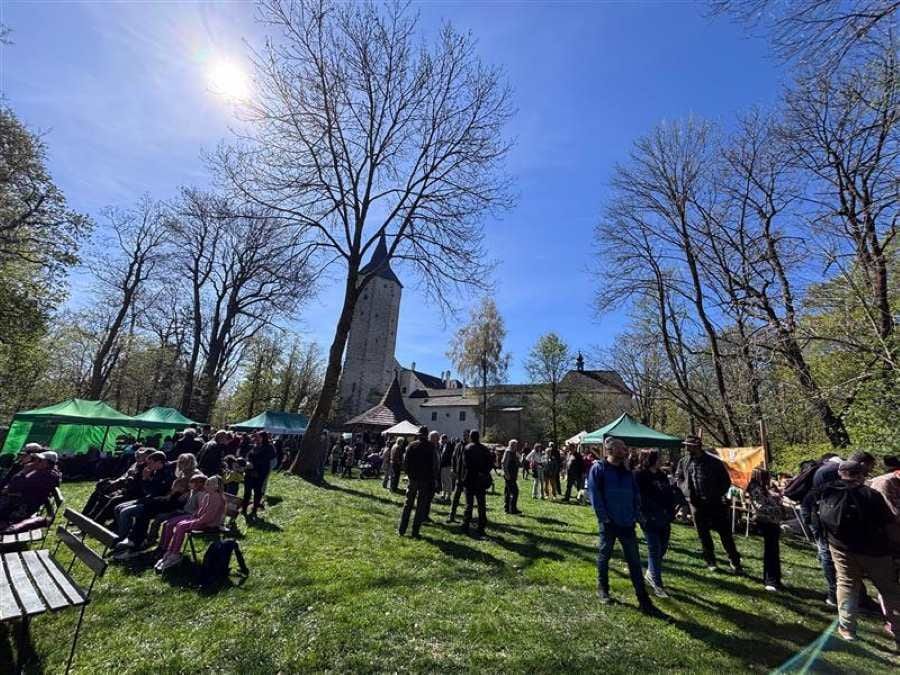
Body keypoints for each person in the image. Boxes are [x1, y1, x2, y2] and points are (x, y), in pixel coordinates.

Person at [816, 459, 900, 646]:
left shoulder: (828, 491)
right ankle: (897, 628)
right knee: (889, 589)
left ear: (841, 473)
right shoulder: (872, 495)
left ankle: (847, 628)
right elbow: (889, 523)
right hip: (875, 550)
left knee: (846, 585)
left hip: (839, 547)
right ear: (861, 474)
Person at [586, 438, 655, 614]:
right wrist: (604, 518)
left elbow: (635, 494)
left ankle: (643, 598)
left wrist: (636, 515)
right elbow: (594, 494)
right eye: (622, 448)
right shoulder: (599, 468)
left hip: (627, 523)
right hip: (609, 523)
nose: (625, 450)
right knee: (604, 555)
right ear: (611, 449)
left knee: (634, 561)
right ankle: (603, 589)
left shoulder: (627, 472)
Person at [675, 436, 742, 574]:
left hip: (715, 503)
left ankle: (735, 562)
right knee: (703, 534)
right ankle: (711, 561)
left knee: (725, 534)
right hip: (696, 503)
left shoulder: (713, 462)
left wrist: (716, 494)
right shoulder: (685, 461)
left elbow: (725, 481)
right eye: (686, 445)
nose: (687, 448)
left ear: (697, 446)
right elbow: (679, 477)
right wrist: (685, 489)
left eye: (689, 445)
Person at [155, 475, 227, 572]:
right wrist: (194, 517)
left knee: (182, 527)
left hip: (210, 524)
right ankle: (170, 551)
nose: (206, 485)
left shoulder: (217, 498)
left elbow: (210, 516)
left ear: (216, 486)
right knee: (180, 524)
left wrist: (197, 521)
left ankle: (175, 554)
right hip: (202, 520)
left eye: (209, 484)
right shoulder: (208, 495)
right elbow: (201, 511)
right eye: (206, 483)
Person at [635, 448, 676, 598]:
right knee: (655, 548)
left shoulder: (662, 475)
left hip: (663, 517)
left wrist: (671, 511)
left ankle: (651, 572)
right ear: (650, 459)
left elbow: (668, 494)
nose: (661, 461)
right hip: (648, 517)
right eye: (658, 458)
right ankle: (657, 583)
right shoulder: (639, 475)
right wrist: (642, 515)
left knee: (662, 547)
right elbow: (639, 497)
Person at [0, 450, 61, 530]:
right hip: (21, 504)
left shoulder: (45, 475)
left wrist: (24, 471)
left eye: (39, 460)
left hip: (21, 509)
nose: (35, 462)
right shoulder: (44, 473)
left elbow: (14, 486)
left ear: (46, 463)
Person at [747, 467, 784, 592]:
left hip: (773, 522)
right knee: (771, 552)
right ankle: (770, 580)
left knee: (774, 552)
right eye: (766, 476)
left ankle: (776, 579)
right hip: (766, 522)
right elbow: (760, 507)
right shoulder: (755, 489)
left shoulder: (764, 489)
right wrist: (776, 506)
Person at [398, 427, 436, 539]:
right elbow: (434, 465)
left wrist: (409, 474)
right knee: (420, 506)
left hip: (413, 479)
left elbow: (405, 463)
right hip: (425, 480)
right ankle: (415, 532)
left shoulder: (412, 445)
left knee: (408, 504)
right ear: (427, 435)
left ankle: (402, 530)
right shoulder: (431, 447)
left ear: (419, 434)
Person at [459, 430, 493, 537]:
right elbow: (490, 463)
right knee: (481, 504)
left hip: (470, 479)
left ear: (470, 437)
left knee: (469, 504)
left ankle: (465, 525)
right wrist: (483, 472)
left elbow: (465, 464)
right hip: (480, 479)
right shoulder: (484, 449)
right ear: (479, 437)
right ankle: (481, 527)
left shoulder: (467, 448)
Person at [243, 431, 275, 519]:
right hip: (249, 471)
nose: (256, 438)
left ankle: (254, 509)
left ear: (263, 437)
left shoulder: (269, 447)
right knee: (247, 491)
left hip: (260, 472)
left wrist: (256, 464)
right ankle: (244, 509)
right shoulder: (254, 446)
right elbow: (249, 456)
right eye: (256, 436)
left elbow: (269, 459)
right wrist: (247, 462)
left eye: (258, 436)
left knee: (257, 491)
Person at [447, 433, 469, 523]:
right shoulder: (458, 445)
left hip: (467, 477)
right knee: (455, 497)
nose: (465, 437)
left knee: (468, 499)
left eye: (467, 436)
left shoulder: (470, 446)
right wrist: (453, 469)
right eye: (464, 435)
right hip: (458, 476)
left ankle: (466, 519)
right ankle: (451, 516)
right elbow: (453, 458)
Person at [502, 439, 521, 514]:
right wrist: (507, 474)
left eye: (516, 445)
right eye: (514, 445)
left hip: (513, 475)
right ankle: (512, 509)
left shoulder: (514, 452)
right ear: (511, 445)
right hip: (509, 475)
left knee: (508, 492)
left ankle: (507, 508)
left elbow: (518, 463)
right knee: (515, 492)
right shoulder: (508, 452)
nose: (516, 446)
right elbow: (504, 463)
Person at [439, 434, 454, 502]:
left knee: (448, 481)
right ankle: (443, 494)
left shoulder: (449, 445)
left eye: (442, 439)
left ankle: (448, 495)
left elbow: (451, 454)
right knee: (443, 481)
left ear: (445, 439)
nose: (441, 440)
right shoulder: (442, 446)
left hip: (448, 465)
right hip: (442, 465)